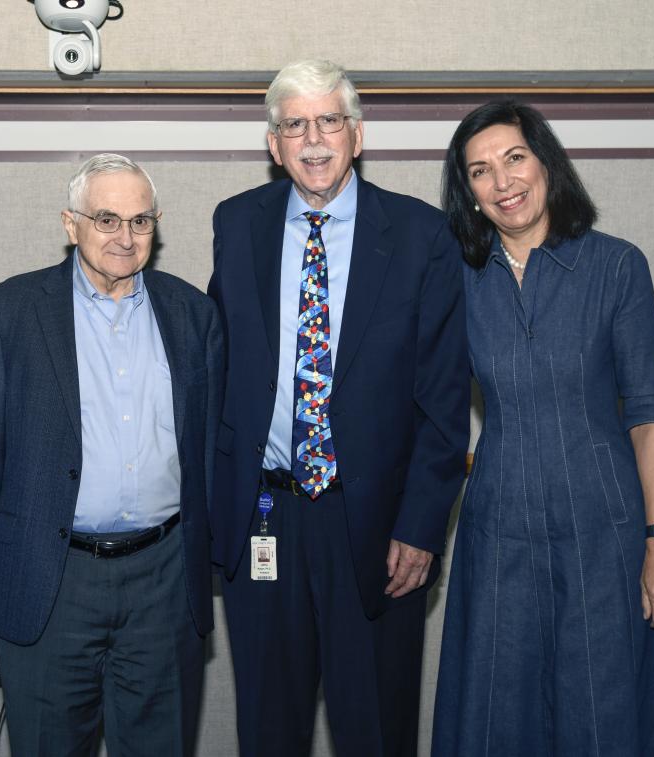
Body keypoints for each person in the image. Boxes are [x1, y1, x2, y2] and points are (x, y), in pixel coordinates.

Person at [432, 99, 654, 756]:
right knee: (501, 719)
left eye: (514, 158)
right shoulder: (456, 281)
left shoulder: (618, 267)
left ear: (546, 163)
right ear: (469, 194)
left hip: (607, 536)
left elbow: (649, 419)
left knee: (606, 713)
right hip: (499, 539)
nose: (502, 183)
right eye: (480, 171)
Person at [208, 59, 469, 757]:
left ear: (357, 134)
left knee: (375, 733)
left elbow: (444, 401)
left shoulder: (420, 235)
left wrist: (420, 526)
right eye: (296, 124)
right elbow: (216, 368)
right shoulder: (237, 225)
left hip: (378, 530)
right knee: (268, 731)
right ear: (274, 144)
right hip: (263, 521)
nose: (314, 139)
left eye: (329, 121)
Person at [0, 153, 223, 756]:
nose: (124, 238)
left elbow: (207, 447)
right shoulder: (10, 311)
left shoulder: (193, 315)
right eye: (106, 219)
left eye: (140, 221)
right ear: (70, 223)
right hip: (51, 574)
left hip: (163, 576)